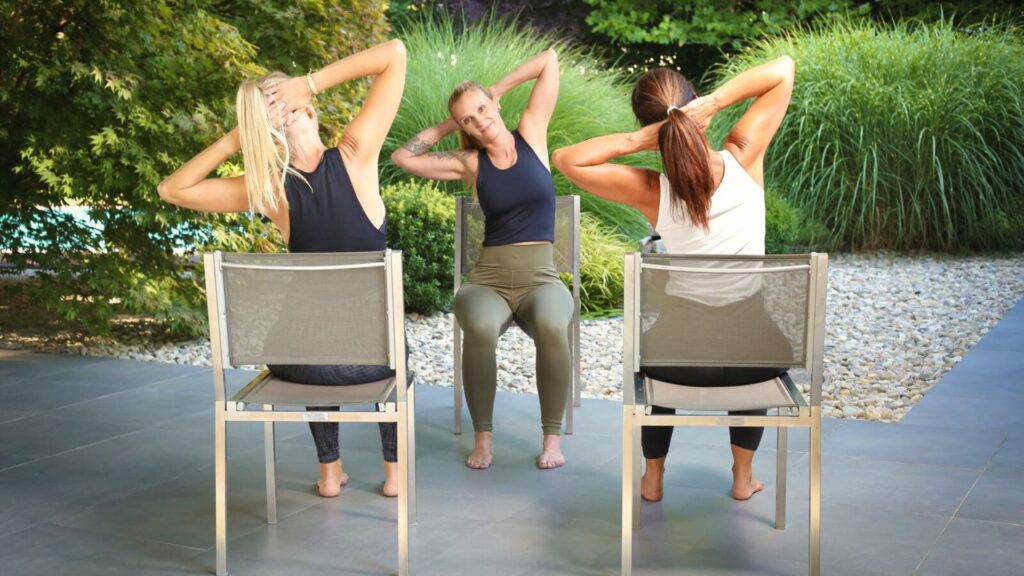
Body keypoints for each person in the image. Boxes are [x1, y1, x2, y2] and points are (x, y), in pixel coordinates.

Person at [157, 39, 407, 498]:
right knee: (390, 342)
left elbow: (173, 190)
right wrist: (309, 83)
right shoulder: (356, 154)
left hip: (297, 362)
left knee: (313, 331)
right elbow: (395, 54)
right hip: (372, 362)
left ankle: (330, 473)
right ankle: (394, 475)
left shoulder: (269, 190)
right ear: (308, 111)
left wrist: (237, 138)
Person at [552, 56, 795, 500]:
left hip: (678, 364)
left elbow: (565, 160)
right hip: (753, 364)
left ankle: (653, 476)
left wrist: (636, 140)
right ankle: (742, 478)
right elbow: (783, 69)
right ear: (696, 107)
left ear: (649, 129)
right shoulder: (744, 156)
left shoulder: (652, 191)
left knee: (664, 342)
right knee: (753, 337)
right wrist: (715, 103)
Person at [391, 48, 573, 470]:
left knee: (552, 324)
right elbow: (403, 157)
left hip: (541, 279)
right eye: (468, 120)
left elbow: (548, 60)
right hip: (488, 281)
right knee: (480, 327)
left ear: (494, 105)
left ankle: (551, 440)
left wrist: (497, 89)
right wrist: (449, 124)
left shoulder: (532, 133)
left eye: (481, 110)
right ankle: (483, 439)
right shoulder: (470, 163)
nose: (478, 121)